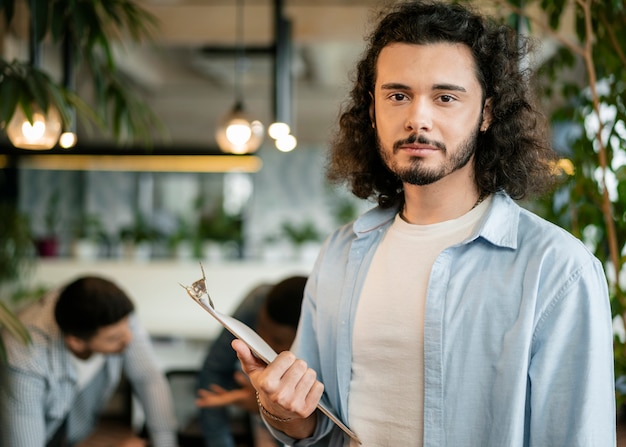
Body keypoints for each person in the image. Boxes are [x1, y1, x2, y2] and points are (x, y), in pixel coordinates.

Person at [231, 1, 616, 446]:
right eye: (397, 95)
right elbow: (314, 426)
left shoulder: (557, 270)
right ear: (372, 109)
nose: (418, 118)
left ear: (487, 113)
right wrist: (280, 411)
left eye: (445, 97)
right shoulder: (340, 253)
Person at [0, 275, 178, 447]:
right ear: (76, 342)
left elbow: (148, 378)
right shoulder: (24, 357)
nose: (130, 339)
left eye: (129, 325)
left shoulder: (112, 311)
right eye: (114, 338)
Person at [196, 275, 308, 447]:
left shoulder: (323, 334)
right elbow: (214, 372)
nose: (264, 342)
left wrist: (268, 409)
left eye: (278, 341)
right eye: (259, 329)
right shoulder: (257, 301)